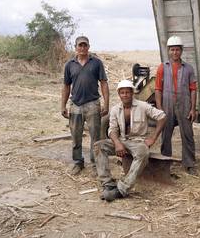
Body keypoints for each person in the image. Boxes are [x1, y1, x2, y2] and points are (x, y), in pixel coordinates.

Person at [94, 80, 166, 202]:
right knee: (98, 146)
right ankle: (108, 184)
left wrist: (153, 138)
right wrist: (117, 144)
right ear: (119, 94)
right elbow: (112, 130)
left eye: (127, 92)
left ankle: (122, 189)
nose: (125, 95)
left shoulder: (143, 106)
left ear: (132, 93)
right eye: (122, 93)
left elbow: (162, 117)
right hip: (121, 140)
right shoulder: (115, 109)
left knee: (143, 153)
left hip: (137, 141)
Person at [61, 36, 109, 175]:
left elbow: (104, 83)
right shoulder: (70, 64)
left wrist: (106, 104)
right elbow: (66, 86)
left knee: (95, 137)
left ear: (88, 47)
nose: (82, 48)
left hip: (93, 104)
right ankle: (78, 162)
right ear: (75, 47)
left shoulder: (96, 63)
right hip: (75, 105)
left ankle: (95, 164)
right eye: (79, 45)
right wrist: (63, 105)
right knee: (76, 137)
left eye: (85, 45)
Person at [155, 36, 197, 175]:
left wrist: (192, 109)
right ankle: (165, 163)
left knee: (188, 135)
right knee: (165, 135)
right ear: (168, 51)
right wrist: (160, 108)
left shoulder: (188, 68)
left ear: (181, 51)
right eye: (172, 49)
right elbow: (158, 89)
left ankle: (189, 164)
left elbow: (193, 89)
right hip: (167, 105)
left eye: (177, 49)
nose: (175, 52)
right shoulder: (162, 67)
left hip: (184, 105)